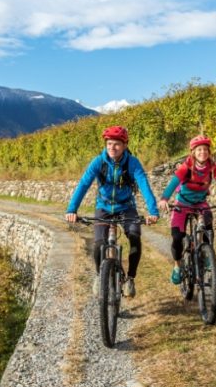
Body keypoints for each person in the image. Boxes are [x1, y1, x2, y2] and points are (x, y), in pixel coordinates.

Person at [66, 125, 160, 298]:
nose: (112, 147)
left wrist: (153, 212)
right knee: (98, 244)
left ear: (124, 145)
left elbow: (144, 186)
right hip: (104, 207)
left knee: (134, 237)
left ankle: (130, 278)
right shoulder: (98, 162)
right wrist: (72, 209)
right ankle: (99, 275)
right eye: (109, 144)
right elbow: (84, 184)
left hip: (126, 207)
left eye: (116, 144)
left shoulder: (132, 163)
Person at [158, 135, 216, 284]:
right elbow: (174, 182)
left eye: (205, 149)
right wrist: (164, 198)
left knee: (208, 228)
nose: (203, 152)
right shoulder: (186, 166)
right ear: (193, 152)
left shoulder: (212, 167)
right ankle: (177, 267)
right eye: (199, 149)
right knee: (177, 237)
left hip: (200, 203)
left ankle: (206, 256)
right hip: (182, 204)